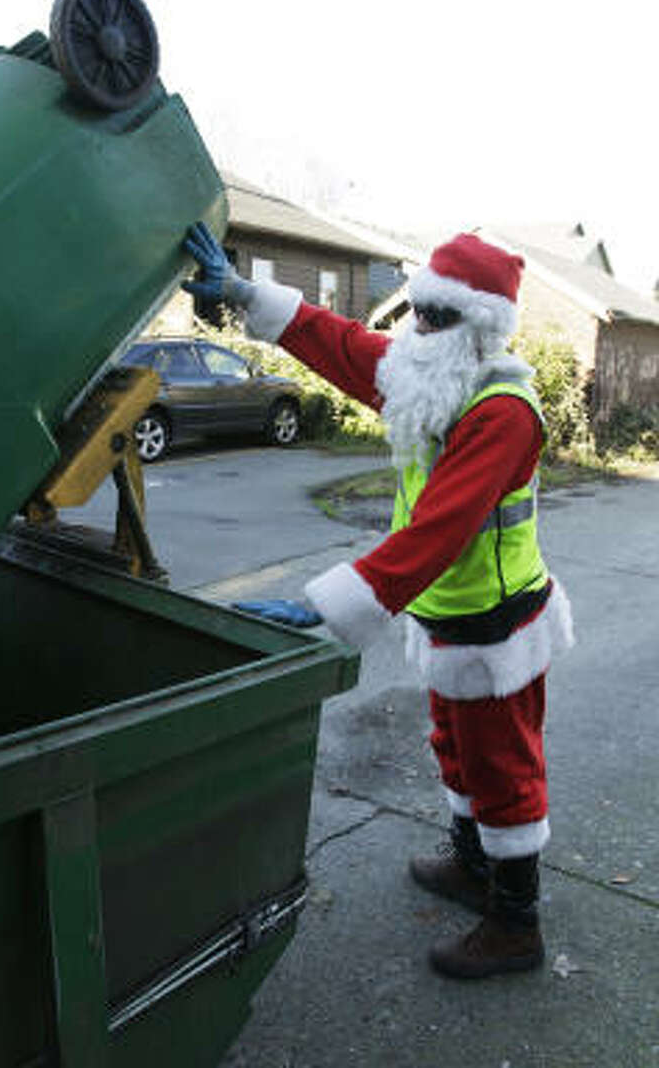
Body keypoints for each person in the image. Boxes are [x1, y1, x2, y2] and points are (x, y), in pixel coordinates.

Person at [182, 221, 574, 979]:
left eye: (437, 315)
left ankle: (516, 925)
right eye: (417, 311)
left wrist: (332, 606)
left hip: (498, 627)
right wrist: (242, 294)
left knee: (505, 772)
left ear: (480, 328)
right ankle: (471, 866)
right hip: (447, 618)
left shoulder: (503, 412)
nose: (417, 329)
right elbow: (346, 346)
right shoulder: (437, 371)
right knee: (454, 750)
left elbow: (439, 531)